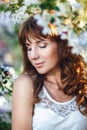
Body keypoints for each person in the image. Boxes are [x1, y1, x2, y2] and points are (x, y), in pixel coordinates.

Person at [12, 16, 87, 130]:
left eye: (42, 45)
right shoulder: (25, 84)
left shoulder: (82, 83)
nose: (33, 56)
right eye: (29, 48)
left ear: (63, 44)